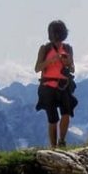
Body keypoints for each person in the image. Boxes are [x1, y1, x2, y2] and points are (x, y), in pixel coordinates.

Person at [34, 20, 75, 148]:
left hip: (64, 84)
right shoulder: (45, 49)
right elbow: (37, 68)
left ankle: (61, 141)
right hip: (48, 87)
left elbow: (72, 68)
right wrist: (51, 60)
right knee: (53, 119)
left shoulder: (68, 48)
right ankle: (53, 146)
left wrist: (67, 62)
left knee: (66, 113)